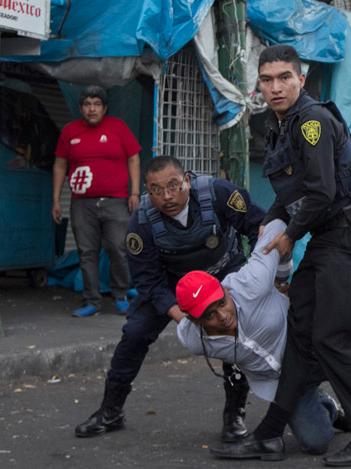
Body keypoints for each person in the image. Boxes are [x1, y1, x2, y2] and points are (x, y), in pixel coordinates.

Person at [214, 45, 351, 466]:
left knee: (333, 338)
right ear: (258, 85)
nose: (275, 87)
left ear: (300, 80)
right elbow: (289, 193)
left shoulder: (311, 120)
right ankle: (270, 434)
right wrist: (271, 221)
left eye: (284, 78)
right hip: (329, 236)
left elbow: (322, 192)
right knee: (301, 330)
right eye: (267, 80)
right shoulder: (280, 125)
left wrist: (290, 234)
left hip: (347, 238)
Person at [176, 220, 351, 458]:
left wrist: (284, 250)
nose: (223, 316)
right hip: (286, 382)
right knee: (316, 441)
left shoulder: (249, 284)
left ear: (225, 290)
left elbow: (276, 226)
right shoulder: (193, 338)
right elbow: (178, 319)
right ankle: (327, 406)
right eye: (210, 315)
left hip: (317, 346)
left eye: (222, 303)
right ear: (195, 320)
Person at [73, 155, 265, 442]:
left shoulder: (219, 193)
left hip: (222, 275)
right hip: (171, 284)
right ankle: (110, 411)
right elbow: (147, 280)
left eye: (174, 186)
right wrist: (182, 317)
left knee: (233, 334)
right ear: (147, 192)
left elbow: (258, 226)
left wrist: (256, 278)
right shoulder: (140, 222)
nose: (167, 196)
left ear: (187, 180)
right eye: (156, 190)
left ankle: (234, 414)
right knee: (135, 333)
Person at [52, 85, 141, 317]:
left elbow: (133, 158)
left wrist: (134, 193)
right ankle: (91, 301)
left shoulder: (118, 127)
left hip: (115, 201)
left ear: (104, 108)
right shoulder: (70, 131)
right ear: (81, 108)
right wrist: (56, 200)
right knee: (87, 251)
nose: (92, 109)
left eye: (97, 104)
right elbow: (60, 165)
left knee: (117, 248)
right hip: (82, 202)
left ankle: (120, 294)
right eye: (87, 104)